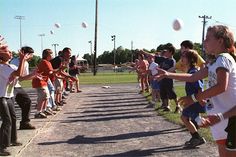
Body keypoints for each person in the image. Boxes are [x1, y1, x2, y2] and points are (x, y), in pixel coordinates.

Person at [156, 25, 236, 157]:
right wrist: (167, 74)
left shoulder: (224, 59)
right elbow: (193, 77)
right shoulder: (214, 61)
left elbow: (222, 86)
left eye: (207, 38)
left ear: (220, 41)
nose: (204, 42)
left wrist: (193, 98)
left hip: (230, 118)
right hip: (220, 118)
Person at [0, 39, 30, 156]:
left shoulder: (11, 65)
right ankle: (1, 147)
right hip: (1, 97)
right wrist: (22, 59)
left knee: (12, 118)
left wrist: (33, 74)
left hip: (8, 96)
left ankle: (12, 140)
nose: (10, 53)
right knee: (6, 120)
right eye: (7, 51)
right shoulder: (1, 67)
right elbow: (17, 74)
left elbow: (20, 75)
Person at [177, 50, 206, 148]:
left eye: (184, 56)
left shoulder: (194, 71)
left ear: (190, 59)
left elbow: (199, 86)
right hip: (192, 100)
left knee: (186, 118)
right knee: (185, 117)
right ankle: (196, 137)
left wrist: (200, 99)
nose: (182, 58)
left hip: (194, 101)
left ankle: (197, 136)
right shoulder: (190, 70)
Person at [10, 46, 36, 130]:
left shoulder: (26, 63)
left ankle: (24, 123)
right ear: (26, 54)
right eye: (31, 54)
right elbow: (17, 75)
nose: (32, 56)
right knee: (9, 107)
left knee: (27, 101)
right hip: (10, 86)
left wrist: (33, 76)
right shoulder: (15, 61)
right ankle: (8, 127)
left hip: (17, 85)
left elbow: (22, 78)